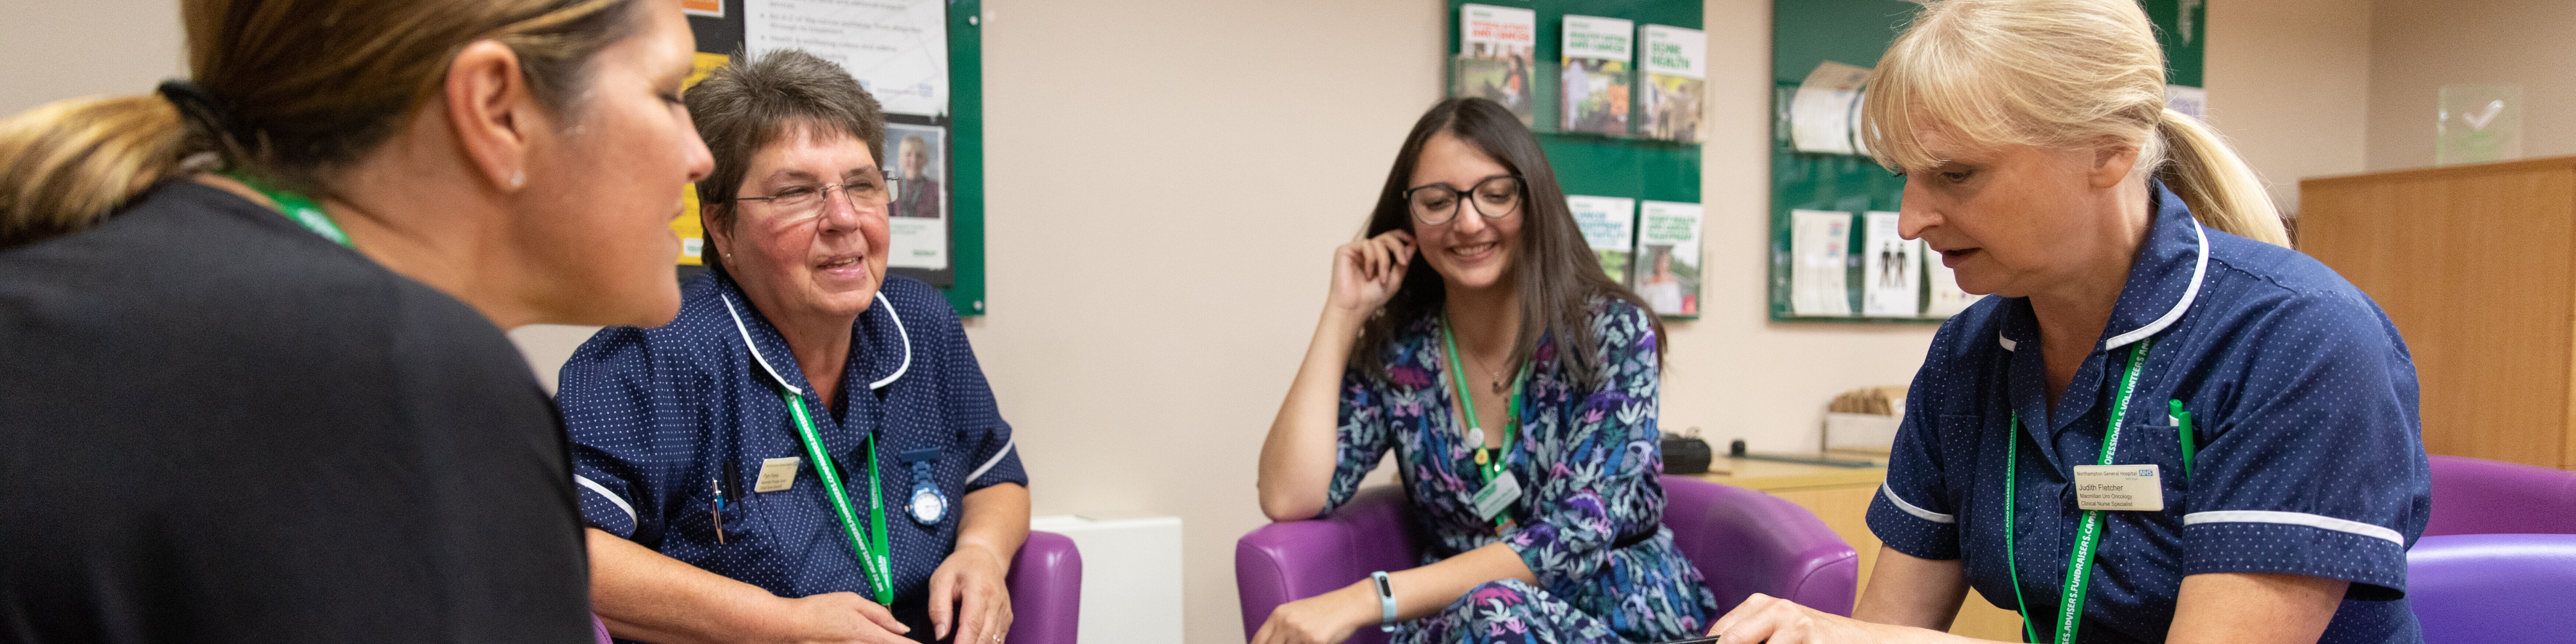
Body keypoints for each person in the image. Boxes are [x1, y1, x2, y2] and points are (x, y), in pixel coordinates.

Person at [1704, 1, 2430, 643]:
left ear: (2108, 149)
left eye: (1955, 174)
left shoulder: (2299, 341)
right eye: (1906, 177)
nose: (1909, 221)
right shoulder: (1968, 355)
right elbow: (1890, 627)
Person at [0, 0, 711, 641]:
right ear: (499, 109)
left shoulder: (110, 284)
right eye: (668, 95)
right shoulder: (396, 371)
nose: (700, 157)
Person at [559, 49, 1029, 644]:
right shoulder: (656, 355)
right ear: (722, 226)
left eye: (861, 185)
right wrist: (781, 625)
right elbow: (564, 549)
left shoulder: (919, 324)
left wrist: (984, 552)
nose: (843, 218)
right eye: (796, 193)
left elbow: (996, 478)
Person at [1254, 97, 1713, 644]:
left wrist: (1364, 598)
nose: (1468, 222)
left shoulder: (1612, 334)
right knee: (1487, 614)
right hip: (1466, 624)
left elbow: (1570, 540)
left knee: (1494, 610)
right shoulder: (1404, 355)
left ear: (1534, 200)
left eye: (1496, 196)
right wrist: (1343, 313)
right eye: (1438, 201)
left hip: (1619, 619)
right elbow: (1288, 495)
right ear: (1410, 218)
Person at [891, 134, 942, 219]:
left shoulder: (936, 188)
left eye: (919, 156)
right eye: (909, 155)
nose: (914, 160)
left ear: (926, 160)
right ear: (902, 158)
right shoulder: (892, 187)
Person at [1637, 245, 1684, 314]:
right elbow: (1643, 306)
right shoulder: (1649, 283)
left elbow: (1677, 307)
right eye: (1660, 261)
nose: (1663, 265)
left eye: (1666, 262)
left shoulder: (1673, 284)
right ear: (1656, 262)